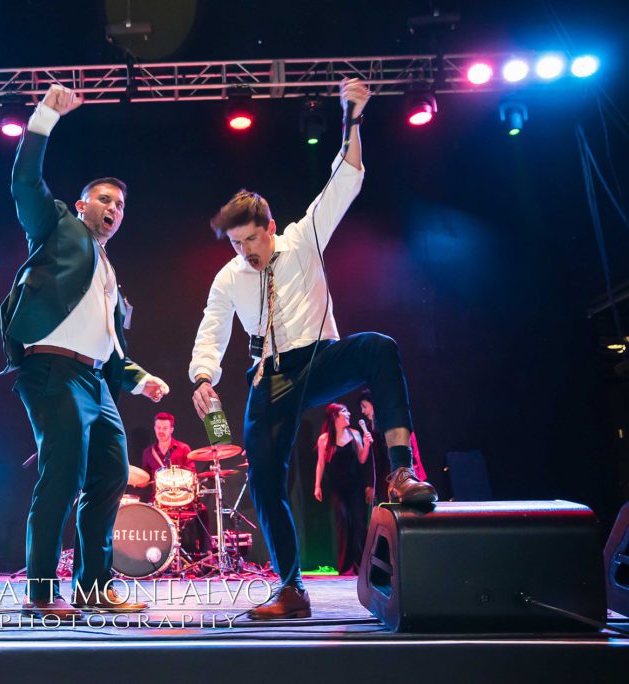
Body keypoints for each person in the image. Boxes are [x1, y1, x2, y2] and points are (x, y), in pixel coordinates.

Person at [188, 78, 437, 620]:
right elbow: (212, 328)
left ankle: (399, 471)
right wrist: (203, 376)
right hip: (270, 376)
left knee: (378, 348)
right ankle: (291, 589)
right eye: (236, 243)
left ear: (271, 227)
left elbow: (345, 178)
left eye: (251, 239)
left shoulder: (304, 238)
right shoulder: (229, 277)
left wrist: (352, 117)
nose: (245, 251)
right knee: (265, 480)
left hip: (319, 359)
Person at [0, 84, 170, 617]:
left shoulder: (109, 274)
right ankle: (41, 593)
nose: (113, 208)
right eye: (104, 199)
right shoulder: (57, 228)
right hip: (53, 371)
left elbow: (109, 344)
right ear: (81, 205)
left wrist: (139, 378)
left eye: (120, 205)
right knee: (62, 478)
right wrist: (44, 117)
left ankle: (93, 588)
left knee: (110, 477)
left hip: (96, 382)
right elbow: (24, 181)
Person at [141, 412, 212, 557]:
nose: (161, 431)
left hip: (182, 498)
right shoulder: (148, 452)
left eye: (165, 428)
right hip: (159, 500)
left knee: (202, 510)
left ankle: (206, 553)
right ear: (154, 428)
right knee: (143, 511)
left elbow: (192, 474)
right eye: (158, 427)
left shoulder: (183, 449)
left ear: (171, 429)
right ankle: (152, 555)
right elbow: (144, 478)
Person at [314, 403, 371, 576]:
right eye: (344, 411)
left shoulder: (354, 434)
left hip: (356, 486)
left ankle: (361, 565)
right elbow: (320, 463)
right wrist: (317, 485)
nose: (349, 414)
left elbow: (362, 459)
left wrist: (367, 444)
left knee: (360, 523)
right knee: (343, 522)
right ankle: (345, 567)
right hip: (337, 488)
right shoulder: (324, 439)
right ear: (335, 416)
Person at [358, 389, 427, 504]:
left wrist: (413, 473)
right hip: (387, 482)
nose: (363, 411)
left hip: (405, 476)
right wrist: (371, 484)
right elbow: (376, 460)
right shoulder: (370, 427)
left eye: (364, 406)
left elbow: (411, 449)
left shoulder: (394, 420)